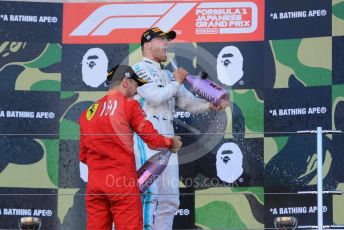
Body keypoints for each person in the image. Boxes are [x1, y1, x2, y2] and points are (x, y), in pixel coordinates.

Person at [133, 27, 228, 230]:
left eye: (167, 40)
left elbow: (188, 103)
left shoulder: (168, 74)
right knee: (149, 196)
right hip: (146, 140)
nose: (166, 44)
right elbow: (154, 97)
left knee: (170, 201)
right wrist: (176, 82)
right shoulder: (138, 70)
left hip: (169, 142)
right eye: (161, 40)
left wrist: (211, 104)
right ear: (147, 45)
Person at [79, 64, 183, 230]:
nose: (137, 90)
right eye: (136, 84)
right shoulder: (129, 105)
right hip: (121, 183)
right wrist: (171, 143)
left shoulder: (88, 113)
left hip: (95, 186)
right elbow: (153, 139)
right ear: (126, 82)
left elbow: (83, 156)